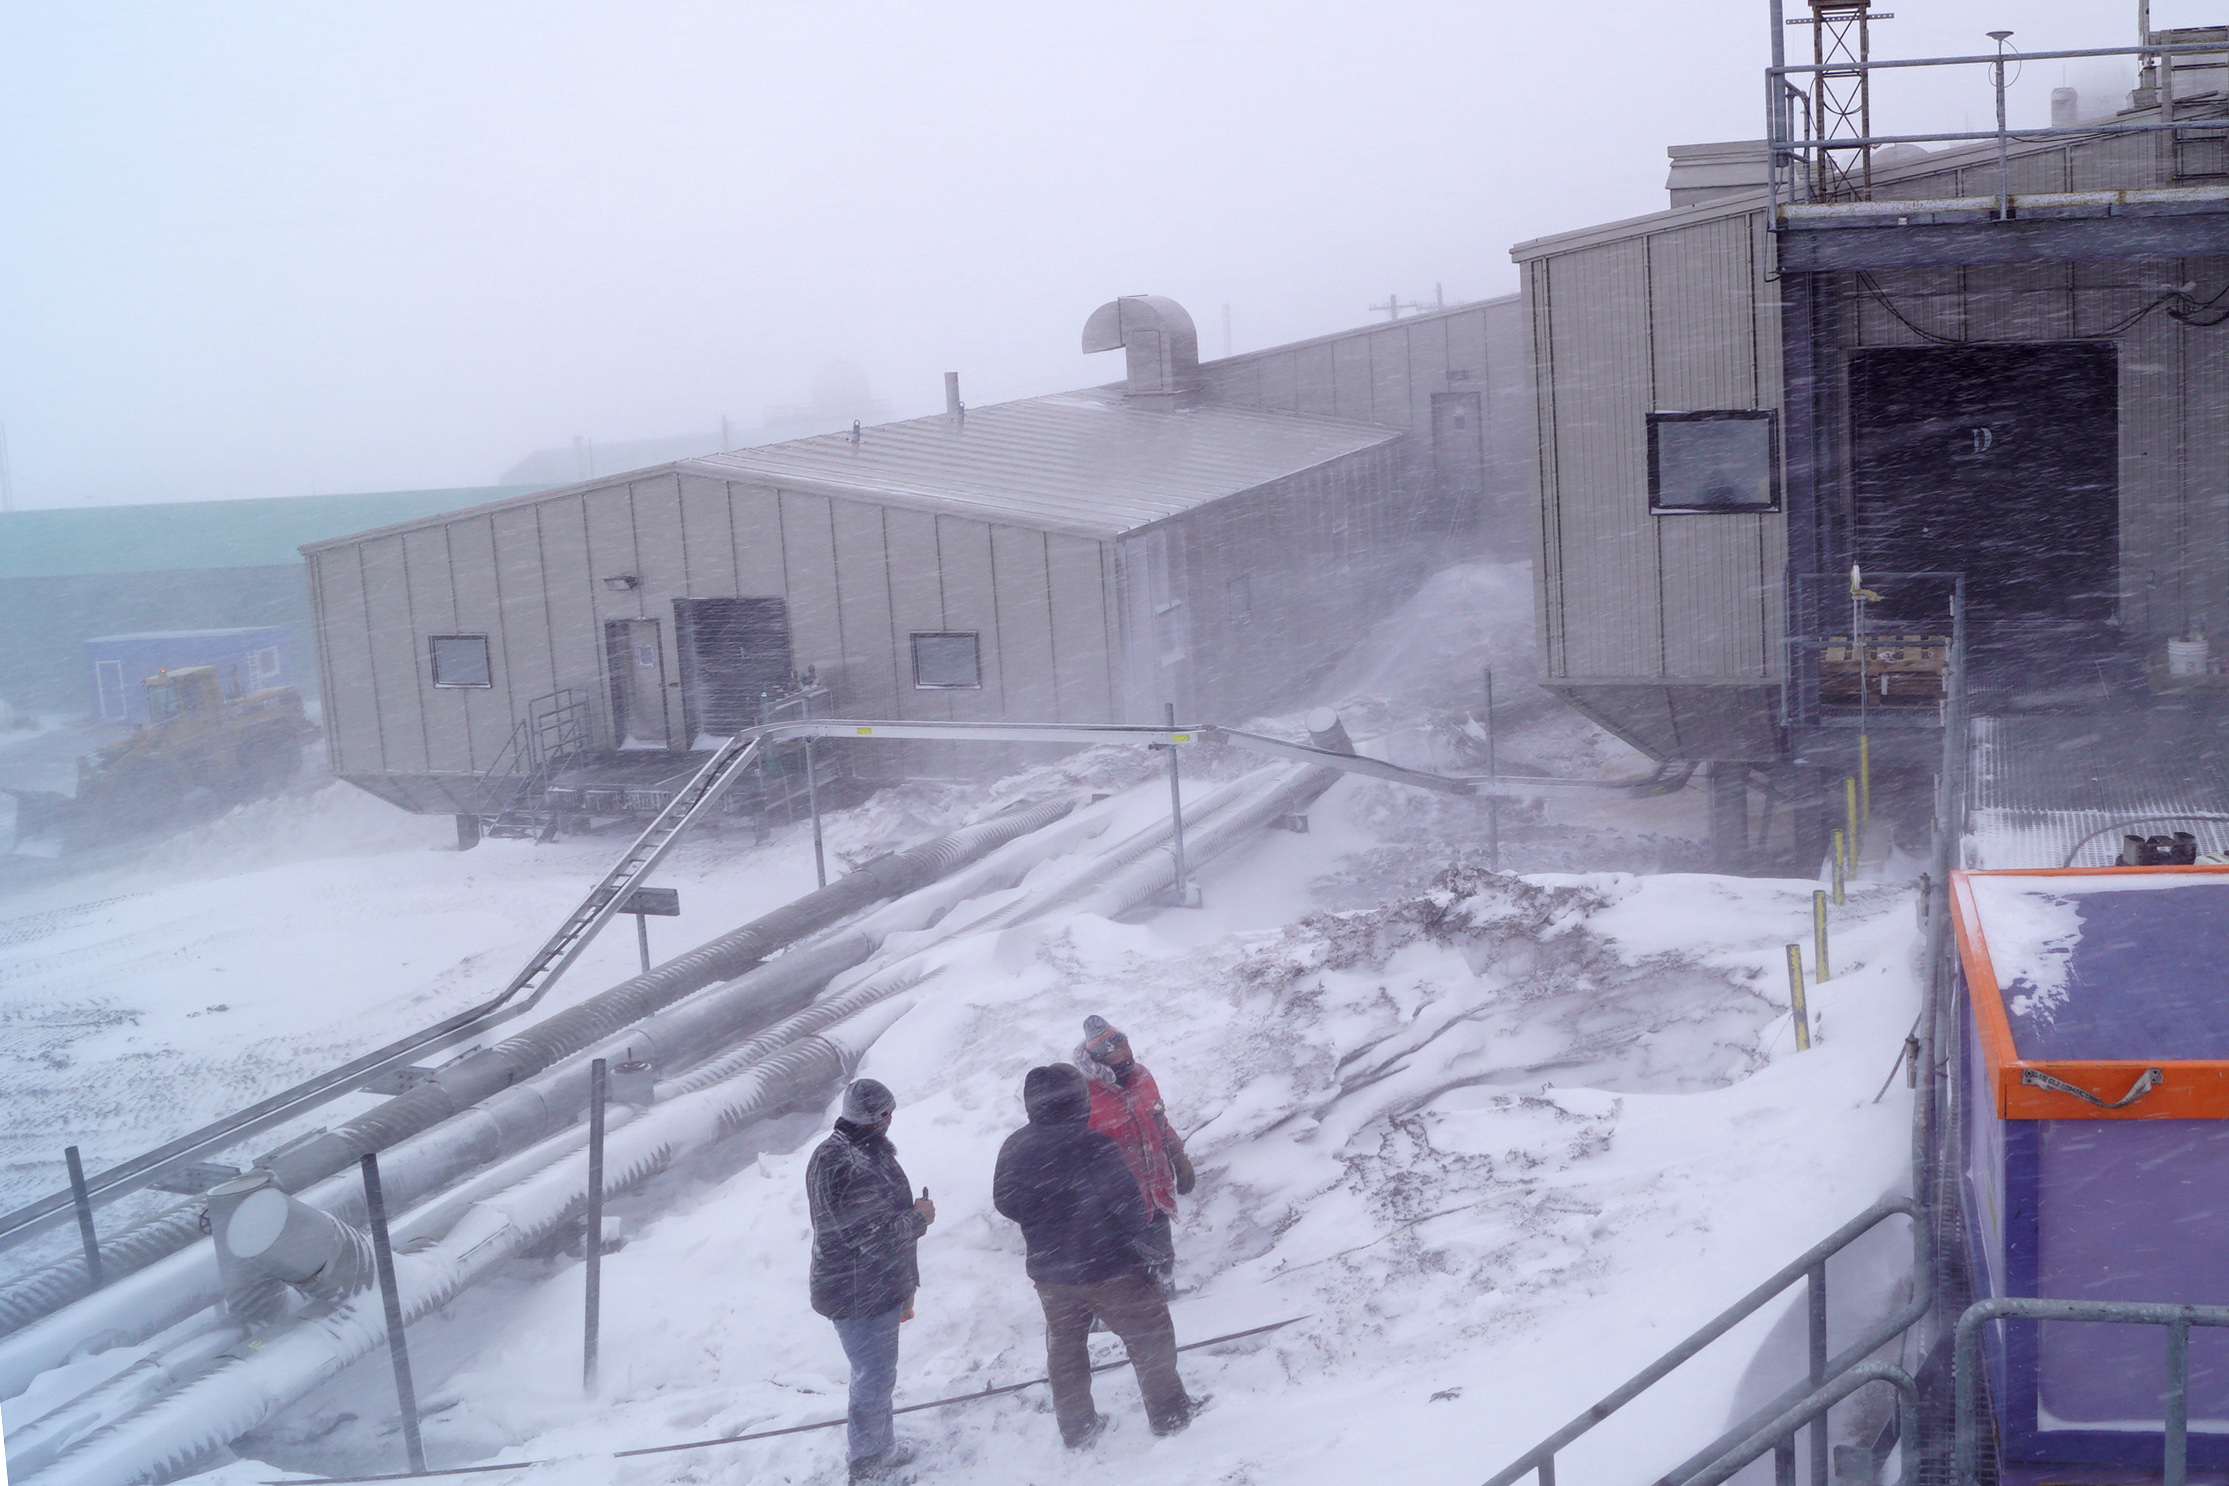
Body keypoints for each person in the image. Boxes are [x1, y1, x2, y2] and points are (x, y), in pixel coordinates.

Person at [992, 1063, 1200, 1448]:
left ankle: (1077, 1428)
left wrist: (1047, 1218)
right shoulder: (1092, 1145)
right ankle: (1170, 1415)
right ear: (1076, 1100)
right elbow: (1131, 1210)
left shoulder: (1015, 1145)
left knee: (1066, 1351)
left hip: (1050, 1272)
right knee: (1150, 1336)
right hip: (1107, 1267)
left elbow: (1005, 1202)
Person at [806, 1078, 936, 1482]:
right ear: (876, 1118)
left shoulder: (838, 1152)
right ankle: (865, 1462)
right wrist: (919, 1217)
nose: (892, 1120)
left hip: (860, 1284)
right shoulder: (853, 1163)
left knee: (878, 1373)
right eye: (888, 1114)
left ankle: (883, 1449)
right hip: (860, 1291)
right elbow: (870, 1237)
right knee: (873, 1376)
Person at [1073, 1015, 1194, 1295]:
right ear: (1101, 1059)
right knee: (1128, 1280)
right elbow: (1076, 1155)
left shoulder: (1142, 1077)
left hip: (1155, 1192)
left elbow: (1160, 1122)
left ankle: (1172, 1312)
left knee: (1163, 1262)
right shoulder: (1083, 1095)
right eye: (1118, 1051)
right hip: (1117, 1207)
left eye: (1127, 1045)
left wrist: (1178, 1157)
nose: (1127, 1054)